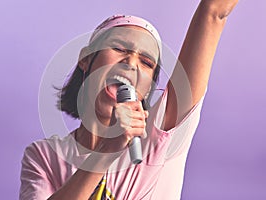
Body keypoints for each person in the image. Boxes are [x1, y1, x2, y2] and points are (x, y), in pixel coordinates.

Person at [20, 0, 238, 199]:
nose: (131, 63)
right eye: (119, 48)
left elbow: (213, 14)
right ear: (86, 59)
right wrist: (108, 149)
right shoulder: (46, 155)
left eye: (146, 62)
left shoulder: (159, 135)